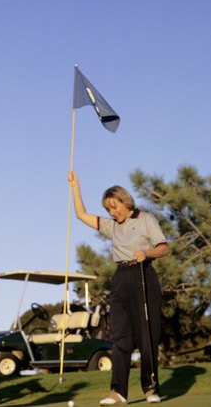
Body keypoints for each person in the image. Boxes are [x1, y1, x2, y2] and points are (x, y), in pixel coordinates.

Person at [69, 172, 169, 405]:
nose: (113, 212)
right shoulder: (111, 226)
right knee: (119, 337)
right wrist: (76, 187)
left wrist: (147, 253)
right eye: (108, 209)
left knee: (147, 337)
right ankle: (118, 391)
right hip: (121, 278)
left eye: (115, 207)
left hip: (143, 274)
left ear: (125, 201)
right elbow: (81, 215)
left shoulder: (146, 219)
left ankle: (150, 388)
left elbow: (163, 247)